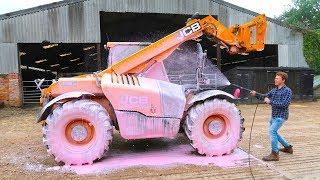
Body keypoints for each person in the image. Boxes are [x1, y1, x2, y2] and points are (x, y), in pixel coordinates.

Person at [250, 71, 293, 161]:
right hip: (274, 116)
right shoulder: (274, 90)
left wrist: (270, 102)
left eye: (277, 78)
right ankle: (288, 148)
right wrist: (256, 94)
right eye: (275, 78)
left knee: (272, 131)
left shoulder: (288, 91)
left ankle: (275, 154)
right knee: (275, 132)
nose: (275, 79)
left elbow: (284, 104)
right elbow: (265, 96)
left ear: (283, 80)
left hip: (281, 116)